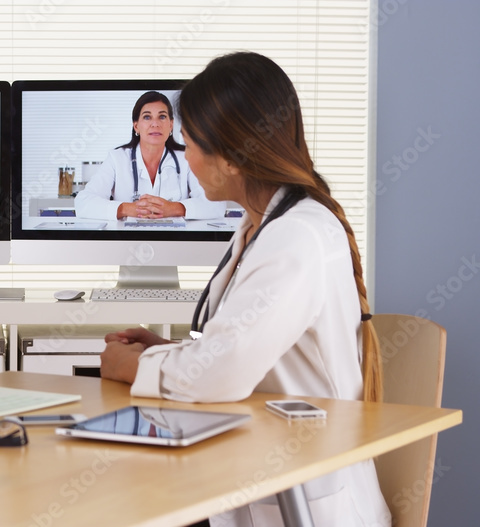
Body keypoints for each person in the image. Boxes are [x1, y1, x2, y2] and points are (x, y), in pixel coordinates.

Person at [99, 53, 389, 526]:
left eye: (189, 143)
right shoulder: (264, 225)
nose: (184, 156)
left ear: (231, 158)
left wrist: (135, 365)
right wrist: (174, 351)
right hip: (262, 468)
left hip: (308, 500)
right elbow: (250, 351)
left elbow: (221, 375)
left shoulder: (297, 236)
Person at [75, 91, 225, 221]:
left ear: (171, 125)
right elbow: (83, 202)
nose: (155, 124)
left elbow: (217, 203)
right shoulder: (117, 158)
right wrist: (126, 209)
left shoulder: (187, 157)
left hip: (177, 242)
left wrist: (174, 208)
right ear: (136, 126)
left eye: (162, 117)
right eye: (147, 117)